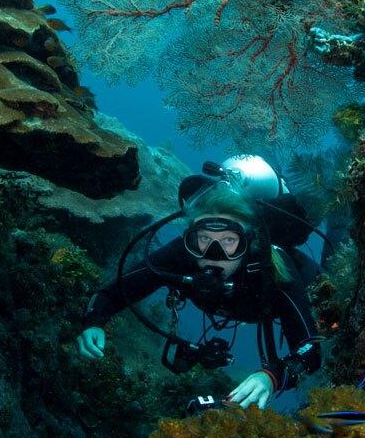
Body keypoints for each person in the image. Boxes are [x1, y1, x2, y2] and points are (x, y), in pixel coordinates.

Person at [76, 162, 322, 410]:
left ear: (248, 243)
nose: (214, 253)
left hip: (313, 288)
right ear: (191, 239)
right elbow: (114, 291)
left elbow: (311, 349)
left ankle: (339, 226)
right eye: (204, 239)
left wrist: (271, 376)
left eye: (228, 240)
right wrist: (94, 320)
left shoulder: (273, 268)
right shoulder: (181, 254)